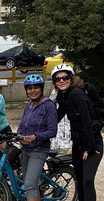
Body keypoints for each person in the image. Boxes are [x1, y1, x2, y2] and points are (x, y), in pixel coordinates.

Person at [53, 64, 103, 201]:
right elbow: (56, 118)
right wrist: (38, 133)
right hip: (78, 143)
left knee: (87, 181)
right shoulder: (63, 96)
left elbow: (87, 122)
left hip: (92, 142)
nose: (61, 81)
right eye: (57, 79)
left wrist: (91, 148)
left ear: (71, 78)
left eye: (65, 77)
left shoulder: (76, 94)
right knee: (80, 180)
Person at [17, 74, 58, 201]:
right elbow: (22, 126)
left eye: (36, 88)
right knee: (30, 184)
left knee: (29, 184)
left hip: (39, 150)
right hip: (26, 150)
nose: (33, 91)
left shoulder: (48, 105)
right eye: (29, 88)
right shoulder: (28, 106)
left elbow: (52, 131)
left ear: (41, 89)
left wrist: (35, 137)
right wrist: (19, 135)